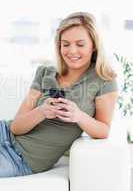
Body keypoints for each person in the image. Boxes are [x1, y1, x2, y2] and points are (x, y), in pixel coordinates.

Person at [0, 12, 118, 177]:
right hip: (4, 132)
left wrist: (78, 116)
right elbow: (16, 127)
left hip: (21, 159)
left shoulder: (104, 80)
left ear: (94, 45)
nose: (72, 51)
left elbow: (103, 130)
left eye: (80, 44)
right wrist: (41, 111)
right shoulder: (45, 72)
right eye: (66, 44)